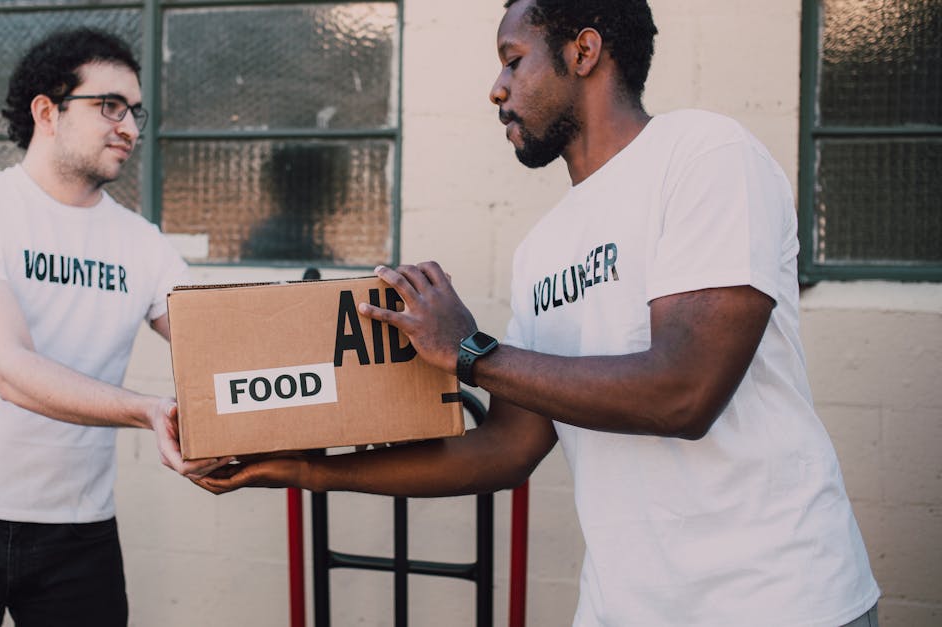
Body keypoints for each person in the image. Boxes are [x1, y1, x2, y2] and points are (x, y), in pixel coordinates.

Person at [196, 1, 881, 625]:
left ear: (584, 53)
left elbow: (685, 392)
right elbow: (507, 447)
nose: (497, 89)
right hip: (624, 609)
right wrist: (306, 469)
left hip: (780, 603)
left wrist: (469, 351)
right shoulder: (543, 248)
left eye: (513, 59)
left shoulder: (705, 155)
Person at [0, 27, 231, 626]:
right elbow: (9, 369)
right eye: (109, 106)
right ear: (46, 111)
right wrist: (149, 410)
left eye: (135, 112)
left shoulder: (141, 244)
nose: (129, 127)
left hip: (77, 529)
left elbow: (225, 344)